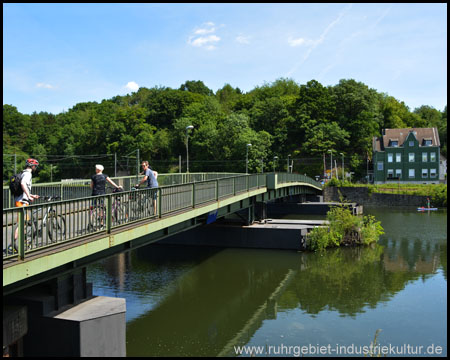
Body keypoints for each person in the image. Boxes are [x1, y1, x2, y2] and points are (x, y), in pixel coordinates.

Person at [12, 158, 40, 253]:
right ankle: (14, 244)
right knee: (21, 224)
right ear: (32, 166)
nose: (35, 168)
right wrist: (28, 196)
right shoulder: (28, 174)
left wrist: (32, 195)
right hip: (23, 202)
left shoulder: (23, 172)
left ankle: (22, 242)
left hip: (19, 200)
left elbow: (24, 188)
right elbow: (23, 183)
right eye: (35, 166)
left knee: (23, 223)